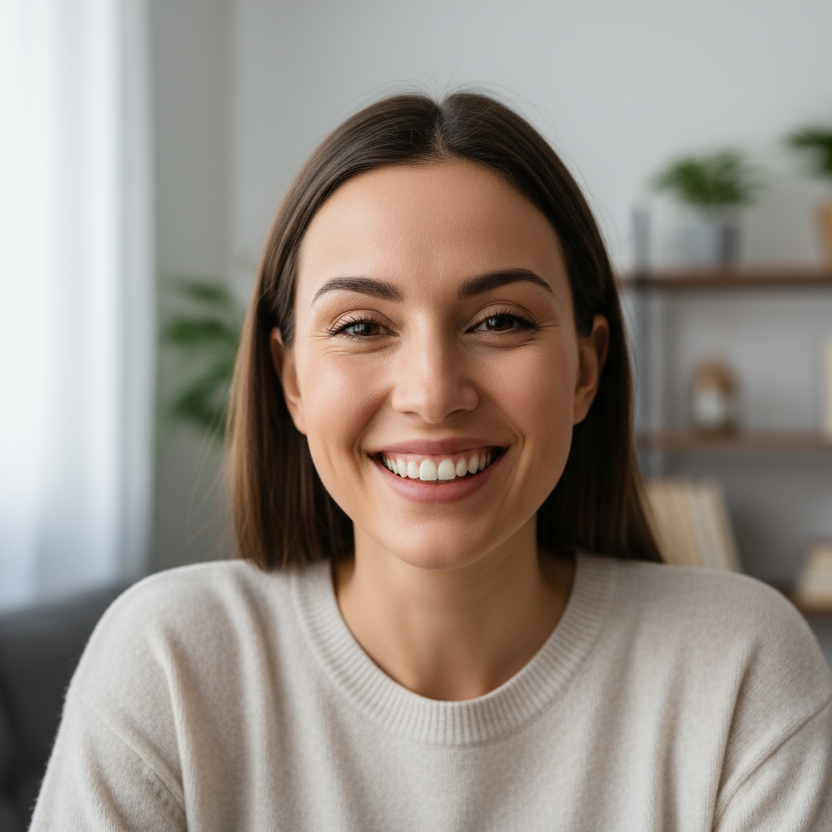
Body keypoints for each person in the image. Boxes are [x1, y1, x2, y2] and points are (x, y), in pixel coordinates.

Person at [31, 91, 832, 831]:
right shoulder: (170, 666)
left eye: (500, 320)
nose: (433, 393)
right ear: (291, 381)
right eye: (361, 327)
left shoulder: (740, 667)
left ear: (586, 371)